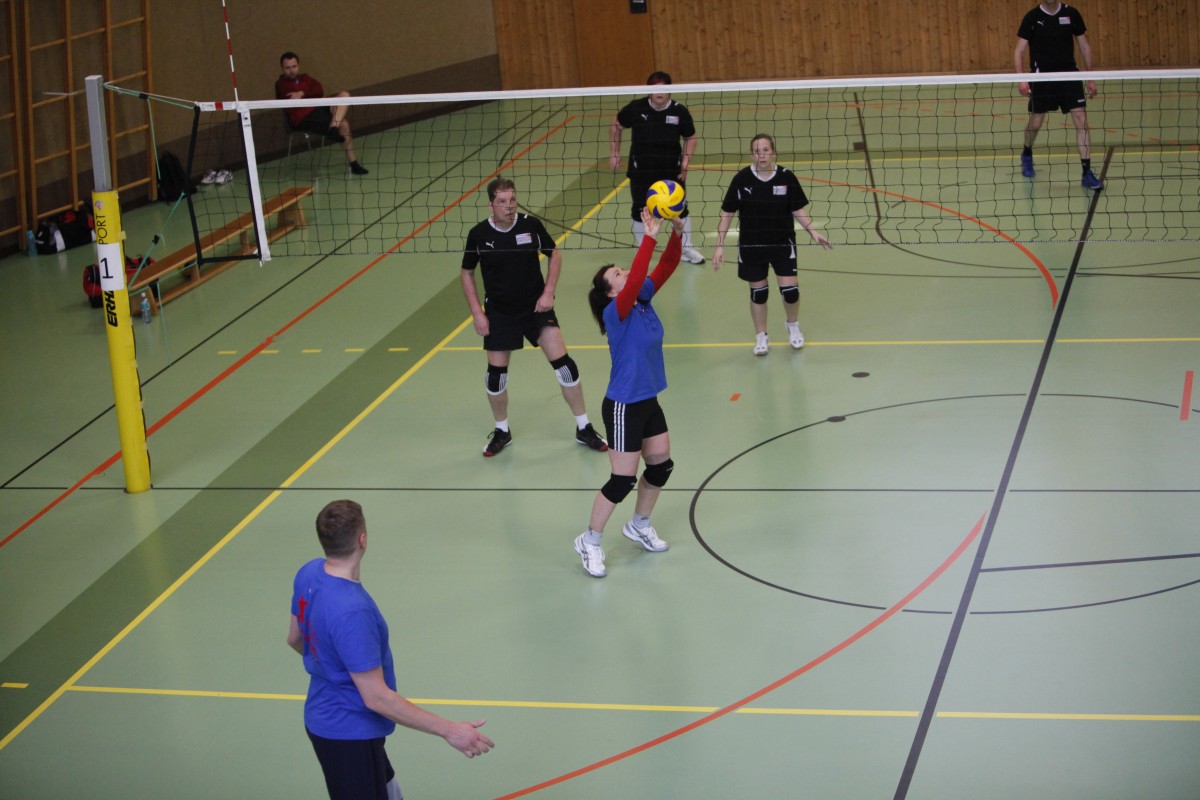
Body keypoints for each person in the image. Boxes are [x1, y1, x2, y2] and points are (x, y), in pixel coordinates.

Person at [288, 500, 493, 800]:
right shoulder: (352, 611)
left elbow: (295, 639)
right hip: (349, 733)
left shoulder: (308, 573)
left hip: (323, 717)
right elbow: (376, 697)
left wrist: (331, 666)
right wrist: (449, 729)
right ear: (362, 539)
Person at [461, 177, 608, 457]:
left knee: (566, 368)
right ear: (491, 204)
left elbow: (554, 254)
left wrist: (549, 292)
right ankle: (502, 431)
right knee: (495, 378)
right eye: (502, 201)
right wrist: (477, 313)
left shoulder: (531, 225)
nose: (509, 206)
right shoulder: (478, 234)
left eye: (512, 200)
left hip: (535, 307)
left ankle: (583, 426)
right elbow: (466, 273)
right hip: (500, 312)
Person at [574, 208, 685, 578]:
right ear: (611, 291)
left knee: (661, 465)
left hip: (647, 399)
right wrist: (648, 236)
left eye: (622, 270)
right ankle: (589, 541)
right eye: (617, 275)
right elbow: (639, 275)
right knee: (622, 479)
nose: (625, 274)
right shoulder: (615, 311)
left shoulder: (641, 299)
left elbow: (666, 267)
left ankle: (639, 524)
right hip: (623, 405)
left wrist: (677, 232)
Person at [713, 134, 833, 356]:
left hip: (782, 244)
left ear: (774, 152)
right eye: (757, 151)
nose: (762, 155)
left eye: (766, 150)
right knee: (759, 294)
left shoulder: (786, 177)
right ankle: (761, 335)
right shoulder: (741, 179)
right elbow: (727, 214)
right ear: (752, 155)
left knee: (791, 292)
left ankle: (792, 325)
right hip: (752, 246)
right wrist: (719, 246)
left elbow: (797, 208)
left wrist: (813, 232)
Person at [609, 71, 706, 264]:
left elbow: (690, 137)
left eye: (663, 88)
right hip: (641, 170)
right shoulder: (636, 108)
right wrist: (615, 153)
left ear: (669, 90)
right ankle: (642, 248)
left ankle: (686, 248)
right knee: (640, 209)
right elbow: (616, 126)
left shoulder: (679, 111)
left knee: (679, 209)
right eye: (655, 88)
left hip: (671, 171)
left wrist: (686, 161)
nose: (659, 92)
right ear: (648, 90)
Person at [1013, 2, 1102, 190]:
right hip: (1042, 78)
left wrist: (1090, 77)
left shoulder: (1071, 13)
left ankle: (1086, 172)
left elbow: (1084, 45)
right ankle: (1027, 153)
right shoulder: (1032, 17)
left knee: (1081, 119)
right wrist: (1022, 79)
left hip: (1069, 75)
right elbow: (1019, 50)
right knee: (1036, 122)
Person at [276, 51, 369, 175]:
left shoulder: (305, 78)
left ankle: (335, 130)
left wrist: (302, 93)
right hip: (303, 119)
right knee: (344, 124)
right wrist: (306, 92)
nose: (292, 70)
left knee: (344, 95)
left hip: (317, 109)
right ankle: (336, 133)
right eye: (288, 68)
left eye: (294, 66)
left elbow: (319, 90)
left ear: (298, 65)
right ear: (282, 69)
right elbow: (298, 94)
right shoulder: (281, 84)